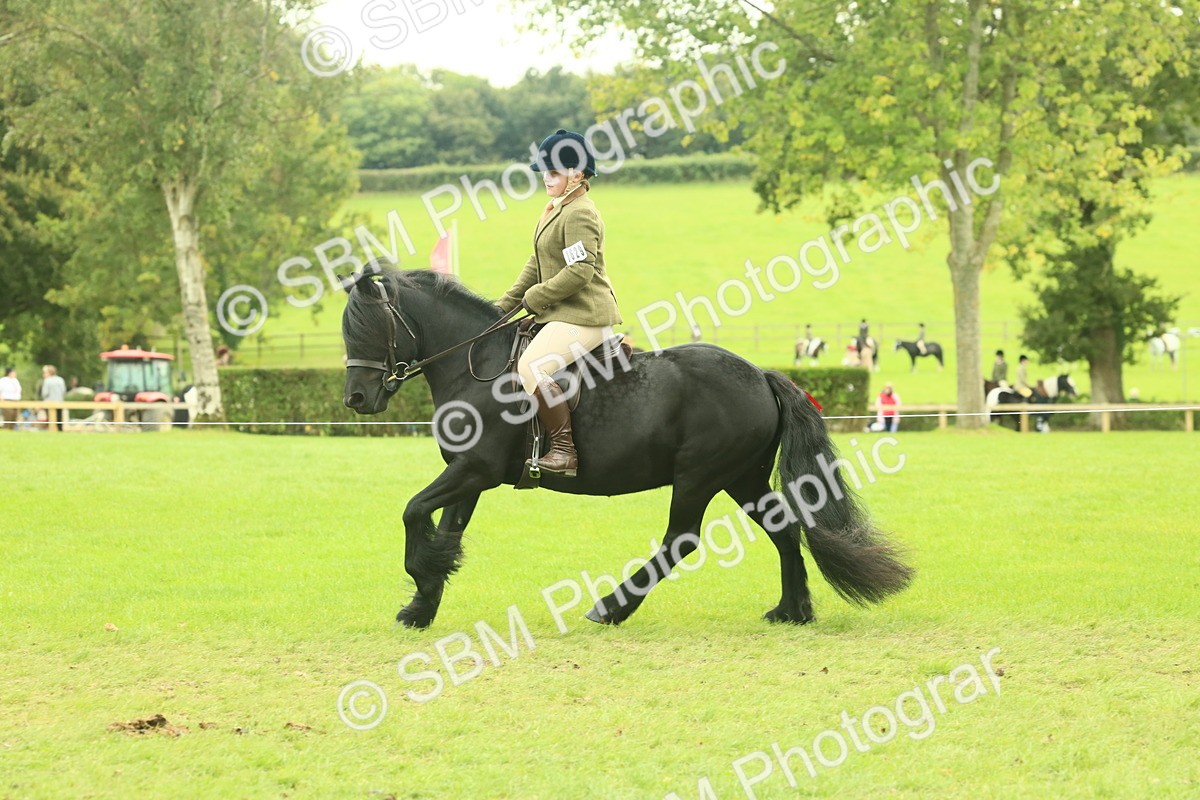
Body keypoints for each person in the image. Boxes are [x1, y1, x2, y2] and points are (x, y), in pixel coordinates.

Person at [495, 129, 622, 478]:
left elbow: (580, 272)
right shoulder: (554, 209)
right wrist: (503, 306)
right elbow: (536, 264)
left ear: (577, 174)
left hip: (587, 315)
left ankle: (565, 452)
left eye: (553, 172)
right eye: (544, 172)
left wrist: (534, 300)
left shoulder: (580, 212)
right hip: (564, 312)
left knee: (532, 367)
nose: (546, 178)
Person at [40, 365, 67, 432]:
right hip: (59, 401)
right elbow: (63, 391)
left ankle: (51, 430)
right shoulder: (60, 380)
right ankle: (60, 430)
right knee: (59, 417)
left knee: (50, 418)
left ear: (49, 372)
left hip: (49, 402)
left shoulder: (47, 380)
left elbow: (45, 393)